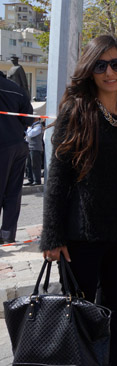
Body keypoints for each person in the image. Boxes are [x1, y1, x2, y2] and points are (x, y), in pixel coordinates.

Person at [40, 35, 117, 366]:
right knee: (81, 315)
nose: (110, 71)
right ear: (90, 70)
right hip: (81, 235)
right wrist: (52, 237)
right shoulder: (77, 111)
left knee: (114, 314)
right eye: (101, 65)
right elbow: (58, 177)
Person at [0, 67, 32, 244]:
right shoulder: (16, 89)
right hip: (19, 146)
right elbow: (28, 119)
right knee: (13, 193)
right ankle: (7, 235)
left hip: (2, 147)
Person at [24, 119, 44, 186]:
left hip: (35, 148)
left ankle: (37, 180)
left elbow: (30, 134)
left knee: (35, 165)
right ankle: (30, 180)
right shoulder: (32, 126)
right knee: (28, 165)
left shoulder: (39, 126)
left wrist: (29, 128)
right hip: (29, 148)